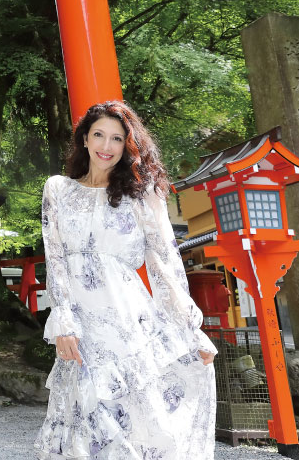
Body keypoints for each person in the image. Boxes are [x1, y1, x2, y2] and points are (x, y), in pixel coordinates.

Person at [35, 100, 217, 459]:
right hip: (81, 322)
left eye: (116, 138)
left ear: (127, 145)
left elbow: (165, 262)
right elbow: (55, 261)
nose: (106, 146)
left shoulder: (142, 194)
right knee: (85, 410)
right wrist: (64, 322)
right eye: (99, 135)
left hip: (129, 319)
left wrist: (189, 327)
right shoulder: (57, 189)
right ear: (84, 139)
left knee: (137, 414)